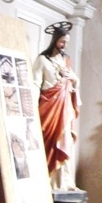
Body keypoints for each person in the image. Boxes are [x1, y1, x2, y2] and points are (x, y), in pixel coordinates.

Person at [33, 21, 80, 191]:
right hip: (48, 106)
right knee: (48, 140)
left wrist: (73, 79)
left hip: (64, 107)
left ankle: (64, 181)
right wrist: (32, 107)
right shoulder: (42, 60)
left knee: (64, 138)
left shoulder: (65, 60)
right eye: (62, 42)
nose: (64, 45)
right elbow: (35, 83)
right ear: (55, 40)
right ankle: (48, 180)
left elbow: (74, 80)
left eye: (66, 42)